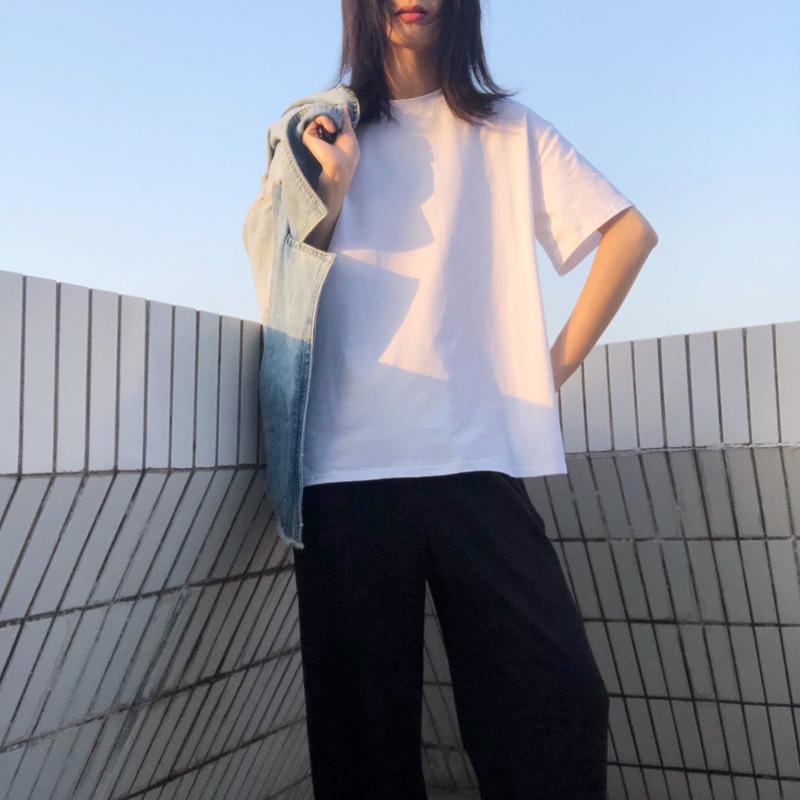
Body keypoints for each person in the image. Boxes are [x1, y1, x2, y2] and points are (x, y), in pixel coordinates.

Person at [282, 1, 658, 797]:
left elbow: (630, 235)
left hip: (476, 462)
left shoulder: (507, 131)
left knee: (558, 706)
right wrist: (333, 191)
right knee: (363, 754)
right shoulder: (321, 127)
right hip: (347, 471)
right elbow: (283, 273)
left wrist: (541, 378)